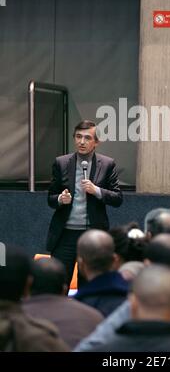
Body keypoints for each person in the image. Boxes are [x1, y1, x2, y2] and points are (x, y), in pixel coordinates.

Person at [47, 120, 123, 287]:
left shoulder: (107, 164)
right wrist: (60, 199)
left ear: (96, 142)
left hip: (92, 236)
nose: (82, 142)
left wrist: (96, 190)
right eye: (78, 137)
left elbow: (118, 198)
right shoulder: (61, 162)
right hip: (65, 235)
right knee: (58, 285)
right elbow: (50, 198)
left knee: (89, 286)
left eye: (87, 138)